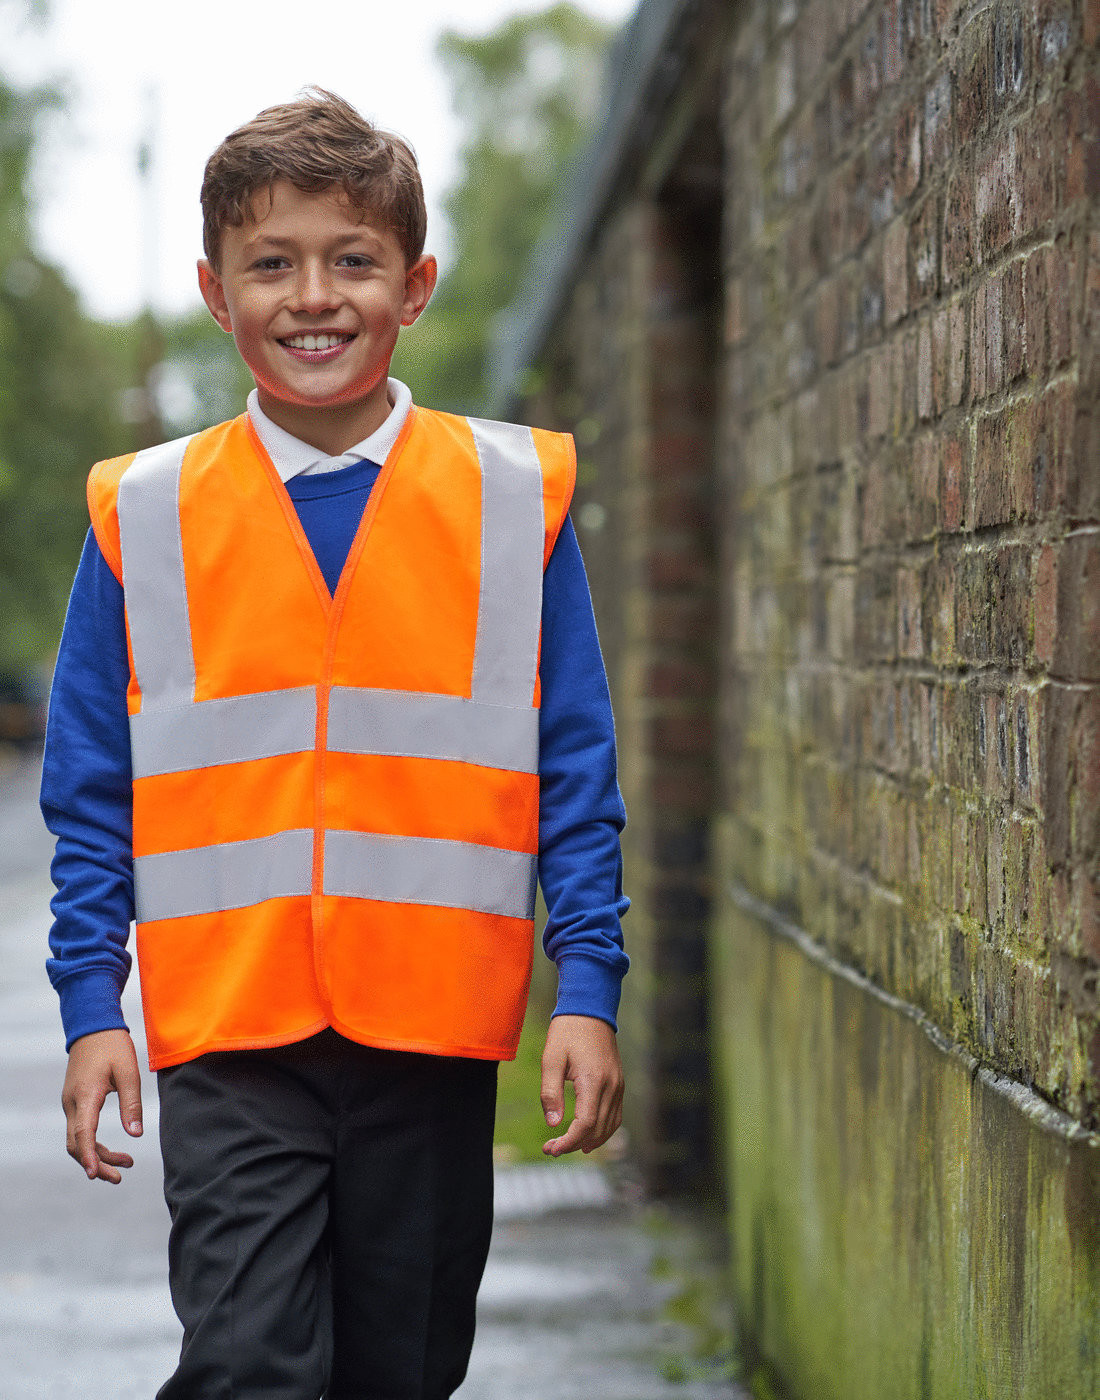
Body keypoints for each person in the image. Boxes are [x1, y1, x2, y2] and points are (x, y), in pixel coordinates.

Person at [40, 88, 629, 1399]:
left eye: (353, 260)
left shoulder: (510, 500)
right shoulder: (143, 516)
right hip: (233, 1038)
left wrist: (585, 989)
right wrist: (94, 1008)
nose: (314, 296)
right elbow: (93, 796)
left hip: (429, 1035)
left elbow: (575, 776)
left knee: (400, 1372)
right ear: (214, 289)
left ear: (414, 286)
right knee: (250, 1363)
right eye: (272, 263)